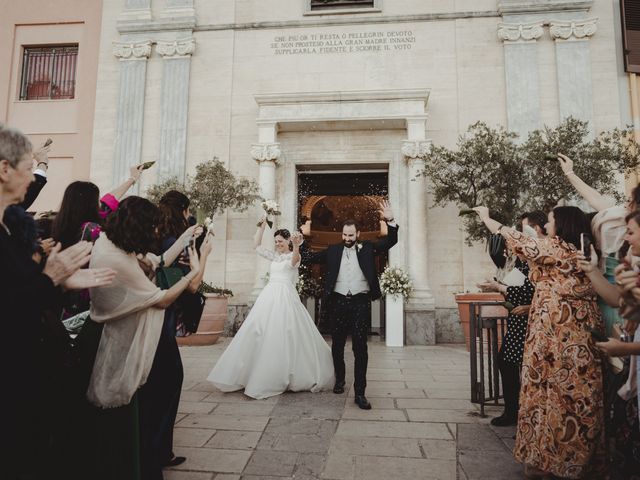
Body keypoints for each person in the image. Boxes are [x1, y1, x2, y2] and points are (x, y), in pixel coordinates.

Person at [0, 123, 115, 480]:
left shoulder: (10, 228)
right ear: (5, 170)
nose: (31, 180)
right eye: (27, 169)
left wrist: (61, 284)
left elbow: (18, 292)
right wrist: (51, 278)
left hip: (26, 372)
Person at [473, 205, 606, 479]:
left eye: (551, 220)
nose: (547, 225)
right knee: (566, 394)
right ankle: (559, 460)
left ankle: (556, 461)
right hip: (566, 334)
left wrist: (487, 218)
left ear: (563, 224)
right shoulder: (577, 252)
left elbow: (514, 237)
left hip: (560, 336)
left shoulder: (559, 249)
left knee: (558, 394)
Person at [80, 196, 202, 480]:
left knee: (150, 399)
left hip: (119, 331)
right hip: (118, 338)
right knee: (135, 410)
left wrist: (185, 236)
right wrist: (193, 274)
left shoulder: (113, 242)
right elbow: (161, 299)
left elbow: (157, 261)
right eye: (152, 227)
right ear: (139, 226)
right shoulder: (116, 258)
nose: (156, 233)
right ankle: (140, 465)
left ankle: (147, 457)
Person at [207, 223, 334, 399]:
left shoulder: (292, 256)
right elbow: (256, 246)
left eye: (280, 241)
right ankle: (252, 372)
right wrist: (261, 226)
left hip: (285, 296)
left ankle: (285, 373)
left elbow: (294, 260)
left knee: (284, 331)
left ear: (288, 241)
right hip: (269, 295)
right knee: (259, 330)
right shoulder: (274, 257)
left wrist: (296, 245)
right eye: (275, 241)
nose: (277, 244)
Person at [139, 190, 213, 471]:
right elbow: (192, 285)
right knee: (168, 382)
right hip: (162, 318)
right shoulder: (176, 243)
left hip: (149, 316)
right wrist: (204, 254)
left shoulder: (154, 237)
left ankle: (157, 449)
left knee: (155, 384)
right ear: (183, 211)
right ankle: (157, 452)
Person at [302, 200, 398, 410]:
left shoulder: (368, 248)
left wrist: (390, 220)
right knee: (337, 345)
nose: (347, 239)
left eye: (351, 236)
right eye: (344, 235)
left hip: (360, 302)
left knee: (360, 347)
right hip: (337, 302)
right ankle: (340, 380)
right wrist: (299, 241)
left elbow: (391, 241)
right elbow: (308, 258)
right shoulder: (333, 250)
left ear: (358, 234)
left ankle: (360, 393)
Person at [477, 211, 545, 427]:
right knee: (506, 363)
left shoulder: (537, 260)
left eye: (524, 229)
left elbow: (533, 289)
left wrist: (502, 288)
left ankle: (516, 412)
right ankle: (514, 411)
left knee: (511, 364)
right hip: (517, 321)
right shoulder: (523, 263)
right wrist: (497, 285)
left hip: (528, 322)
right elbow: (512, 287)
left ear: (537, 229)